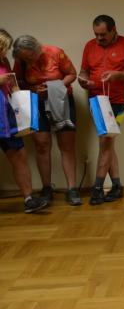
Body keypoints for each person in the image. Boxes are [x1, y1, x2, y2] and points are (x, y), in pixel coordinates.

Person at [78, 14, 124, 205]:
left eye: (103, 34)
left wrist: (117, 75)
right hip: (96, 101)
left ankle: (97, 189)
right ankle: (117, 186)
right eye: (96, 34)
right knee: (107, 143)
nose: (99, 38)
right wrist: (84, 81)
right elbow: (83, 72)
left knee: (106, 142)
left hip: (119, 101)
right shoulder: (89, 46)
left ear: (114, 30)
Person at [12, 35, 80, 206]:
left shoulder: (55, 52)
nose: (28, 61)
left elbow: (72, 74)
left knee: (67, 145)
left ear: (37, 49)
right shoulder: (20, 60)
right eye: (25, 59)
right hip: (37, 103)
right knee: (41, 144)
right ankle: (46, 188)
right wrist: (33, 89)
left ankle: (72, 189)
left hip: (61, 100)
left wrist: (53, 88)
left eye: (30, 57)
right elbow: (17, 82)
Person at [0, 29, 48, 213]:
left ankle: (29, 199)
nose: (5, 52)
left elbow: (12, 83)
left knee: (20, 154)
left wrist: (23, 102)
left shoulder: (4, 61)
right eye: (3, 48)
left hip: (6, 115)